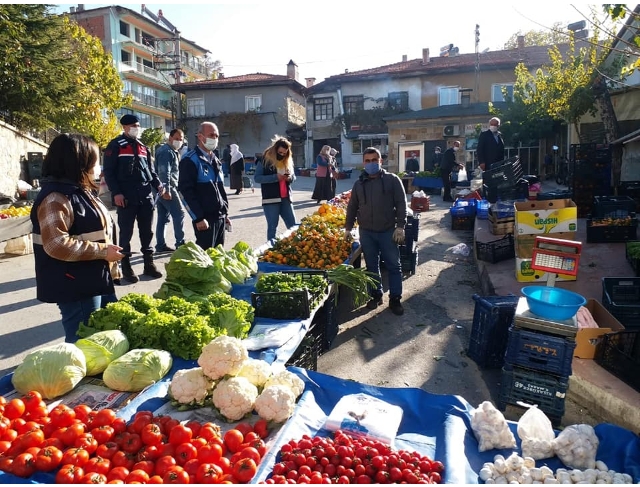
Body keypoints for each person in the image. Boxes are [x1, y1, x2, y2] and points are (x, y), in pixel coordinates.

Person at [31, 133, 124, 342]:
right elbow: (56, 244)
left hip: (94, 276)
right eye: (94, 160)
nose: (98, 166)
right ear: (79, 162)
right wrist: (102, 251)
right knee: (84, 341)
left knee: (102, 338)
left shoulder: (80, 191)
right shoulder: (55, 198)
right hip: (75, 283)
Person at [344, 147, 407, 316]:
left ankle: (395, 299)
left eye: (374, 160)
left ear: (381, 161)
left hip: (387, 231)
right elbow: (352, 207)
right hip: (367, 232)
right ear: (363, 163)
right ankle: (376, 295)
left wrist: (400, 226)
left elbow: (401, 203)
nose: (371, 163)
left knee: (394, 265)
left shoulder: (392, 180)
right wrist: (348, 228)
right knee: (371, 266)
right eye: (368, 160)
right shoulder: (358, 184)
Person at [103, 114, 164, 283]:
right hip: (126, 196)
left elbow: (151, 171)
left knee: (147, 232)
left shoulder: (143, 147)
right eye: (133, 126)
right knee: (126, 233)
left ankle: (148, 264)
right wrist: (116, 193)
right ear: (124, 127)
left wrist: (158, 184)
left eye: (137, 125)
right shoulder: (115, 146)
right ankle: (126, 266)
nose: (136, 128)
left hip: (145, 196)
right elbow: (108, 172)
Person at [178, 121, 231, 250]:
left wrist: (225, 214)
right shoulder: (190, 160)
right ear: (200, 136)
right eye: (211, 135)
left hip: (219, 217)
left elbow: (220, 190)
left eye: (216, 136)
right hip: (204, 220)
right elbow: (185, 191)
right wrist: (198, 218)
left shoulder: (216, 160)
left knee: (219, 257)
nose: (214, 139)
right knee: (206, 259)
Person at [254, 135, 297, 242]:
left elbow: (293, 177)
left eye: (284, 153)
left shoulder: (287, 161)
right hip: (271, 199)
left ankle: (297, 248)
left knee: (293, 226)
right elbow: (257, 178)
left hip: (286, 199)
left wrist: (289, 178)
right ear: (275, 150)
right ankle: (270, 251)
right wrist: (275, 177)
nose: (282, 155)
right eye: (280, 152)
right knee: (272, 227)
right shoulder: (264, 160)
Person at [154, 128, 186, 253]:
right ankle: (180, 244)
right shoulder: (166, 152)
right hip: (167, 188)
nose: (179, 141)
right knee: (179, 214)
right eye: (176, 139)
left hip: (162, 188)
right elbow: (164, 172)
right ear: (170, 138)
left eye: (181, 139)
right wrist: (166, 190)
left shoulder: (171, 151)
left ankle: (160, 245)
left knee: (163, 217)